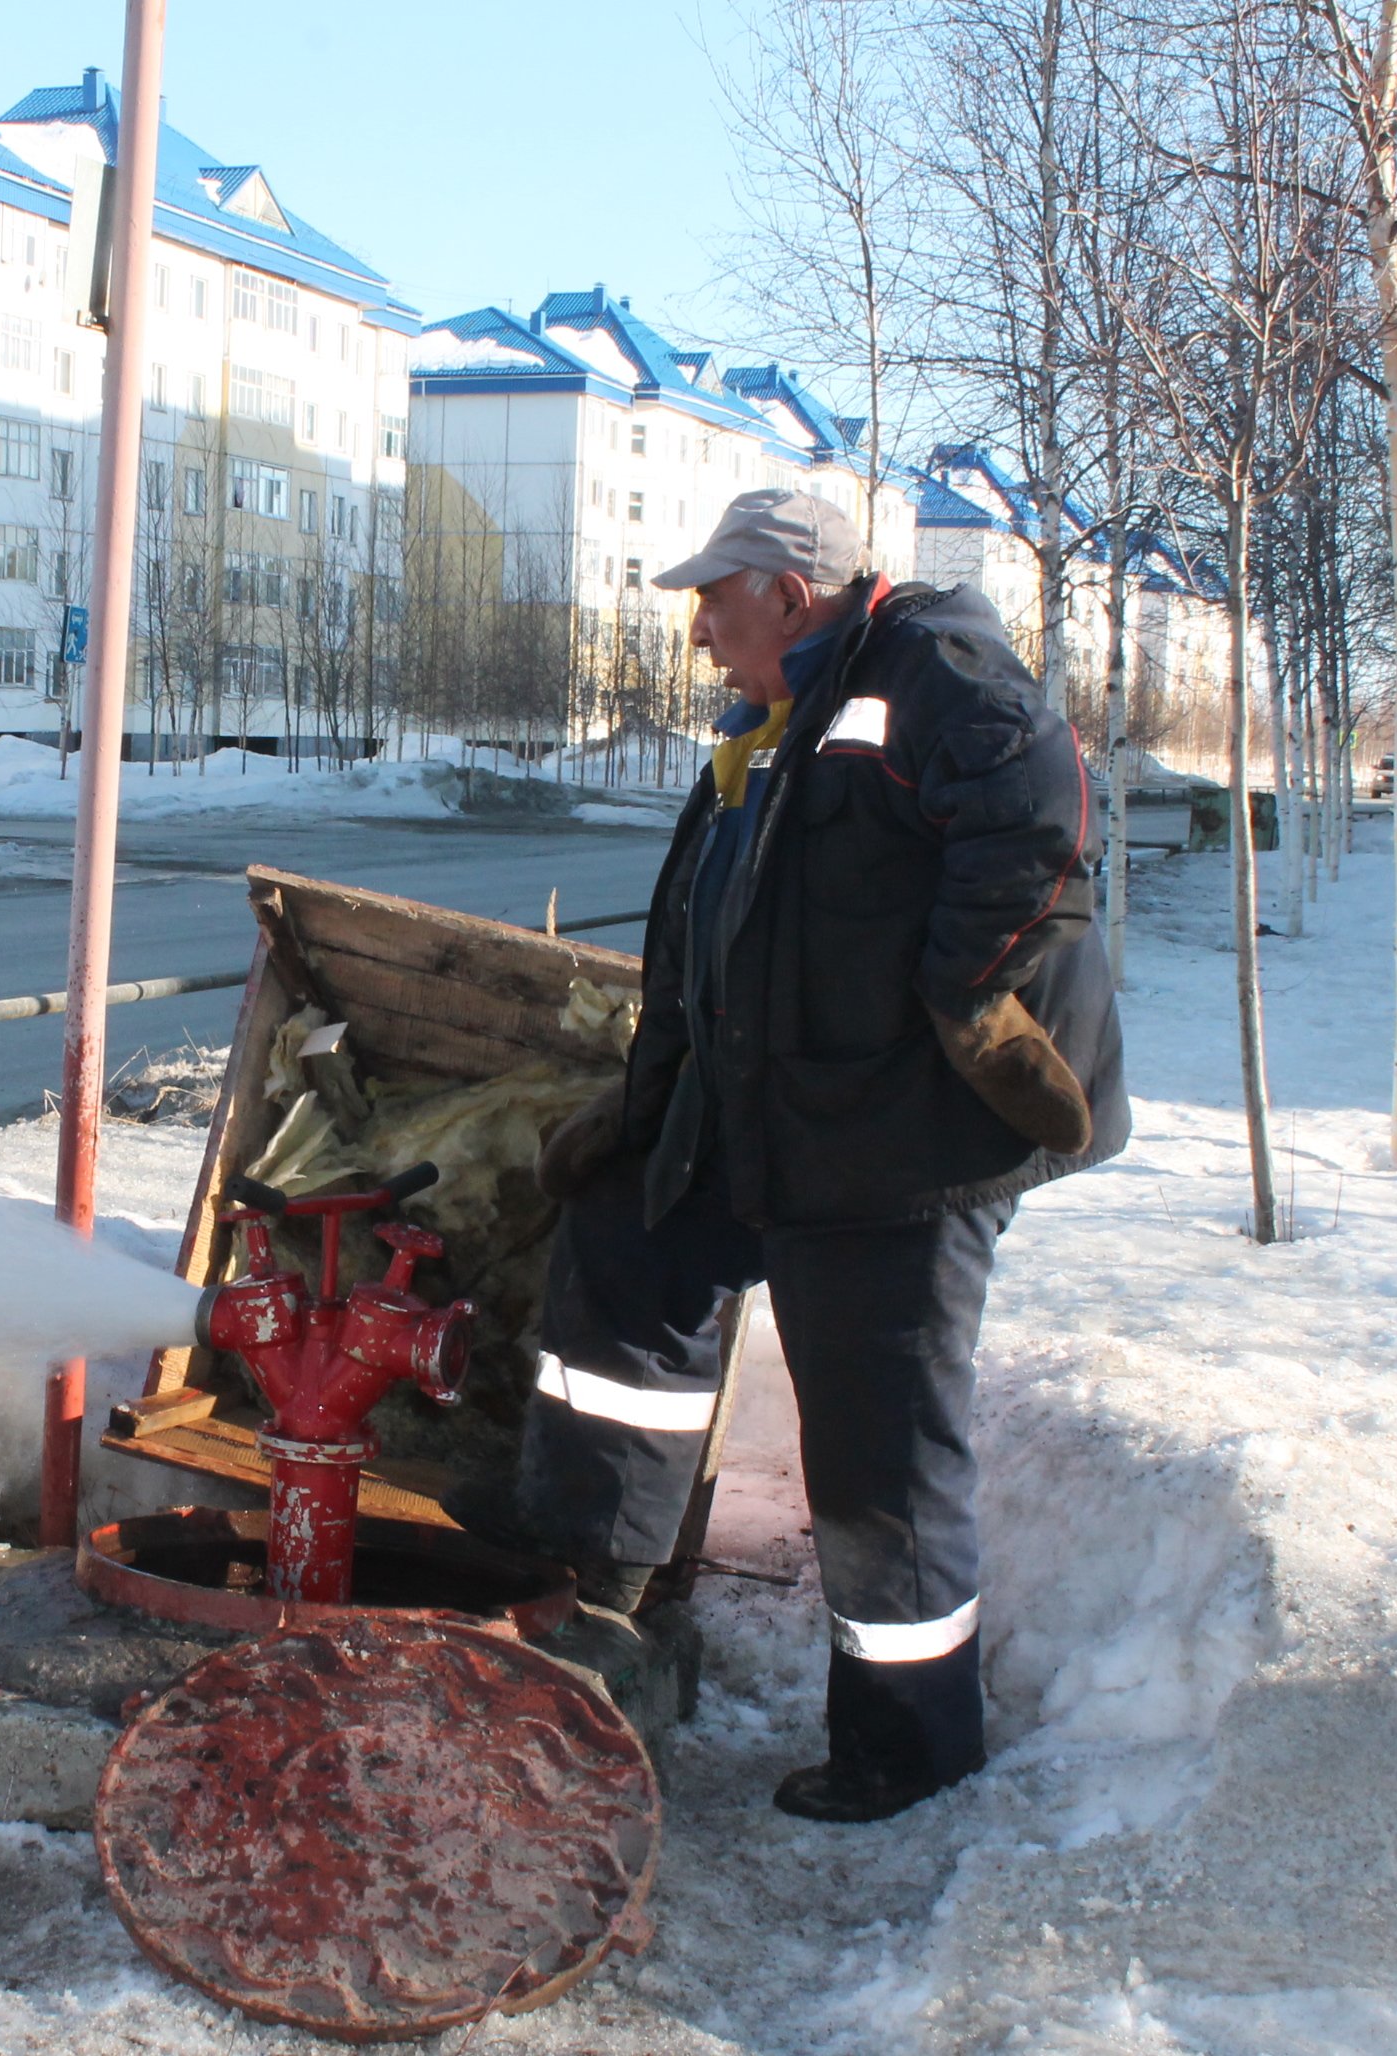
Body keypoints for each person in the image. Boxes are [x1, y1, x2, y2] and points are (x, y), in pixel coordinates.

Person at [454, 487, 1128, 1823]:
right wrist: (643, 1112)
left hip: (900, 1144)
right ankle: (589, 1560)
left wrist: (973, 1000)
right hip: (780, 1112)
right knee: (629, 1249)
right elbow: (702, 944)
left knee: (881, 1448)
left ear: (788, 593)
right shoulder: (770, 725)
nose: (699, 630)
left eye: (715, 598)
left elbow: (1040, 814)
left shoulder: (935, 664)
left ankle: (910, 1748)